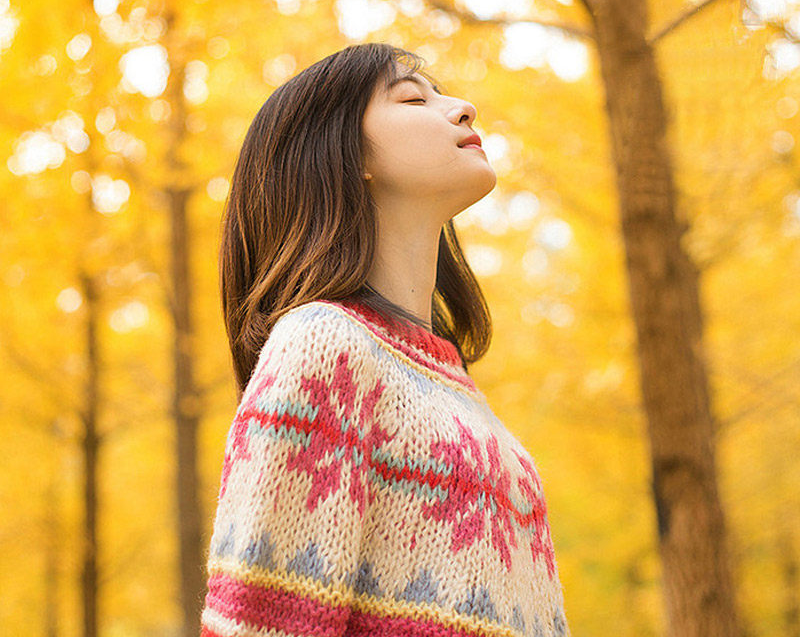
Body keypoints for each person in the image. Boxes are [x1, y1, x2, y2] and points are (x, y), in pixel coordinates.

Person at [199, 42, 570, 637]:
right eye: (413, 98)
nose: (464, 108)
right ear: (347, 154)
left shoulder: (457, 394)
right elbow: (260, 623)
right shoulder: (322, 348)